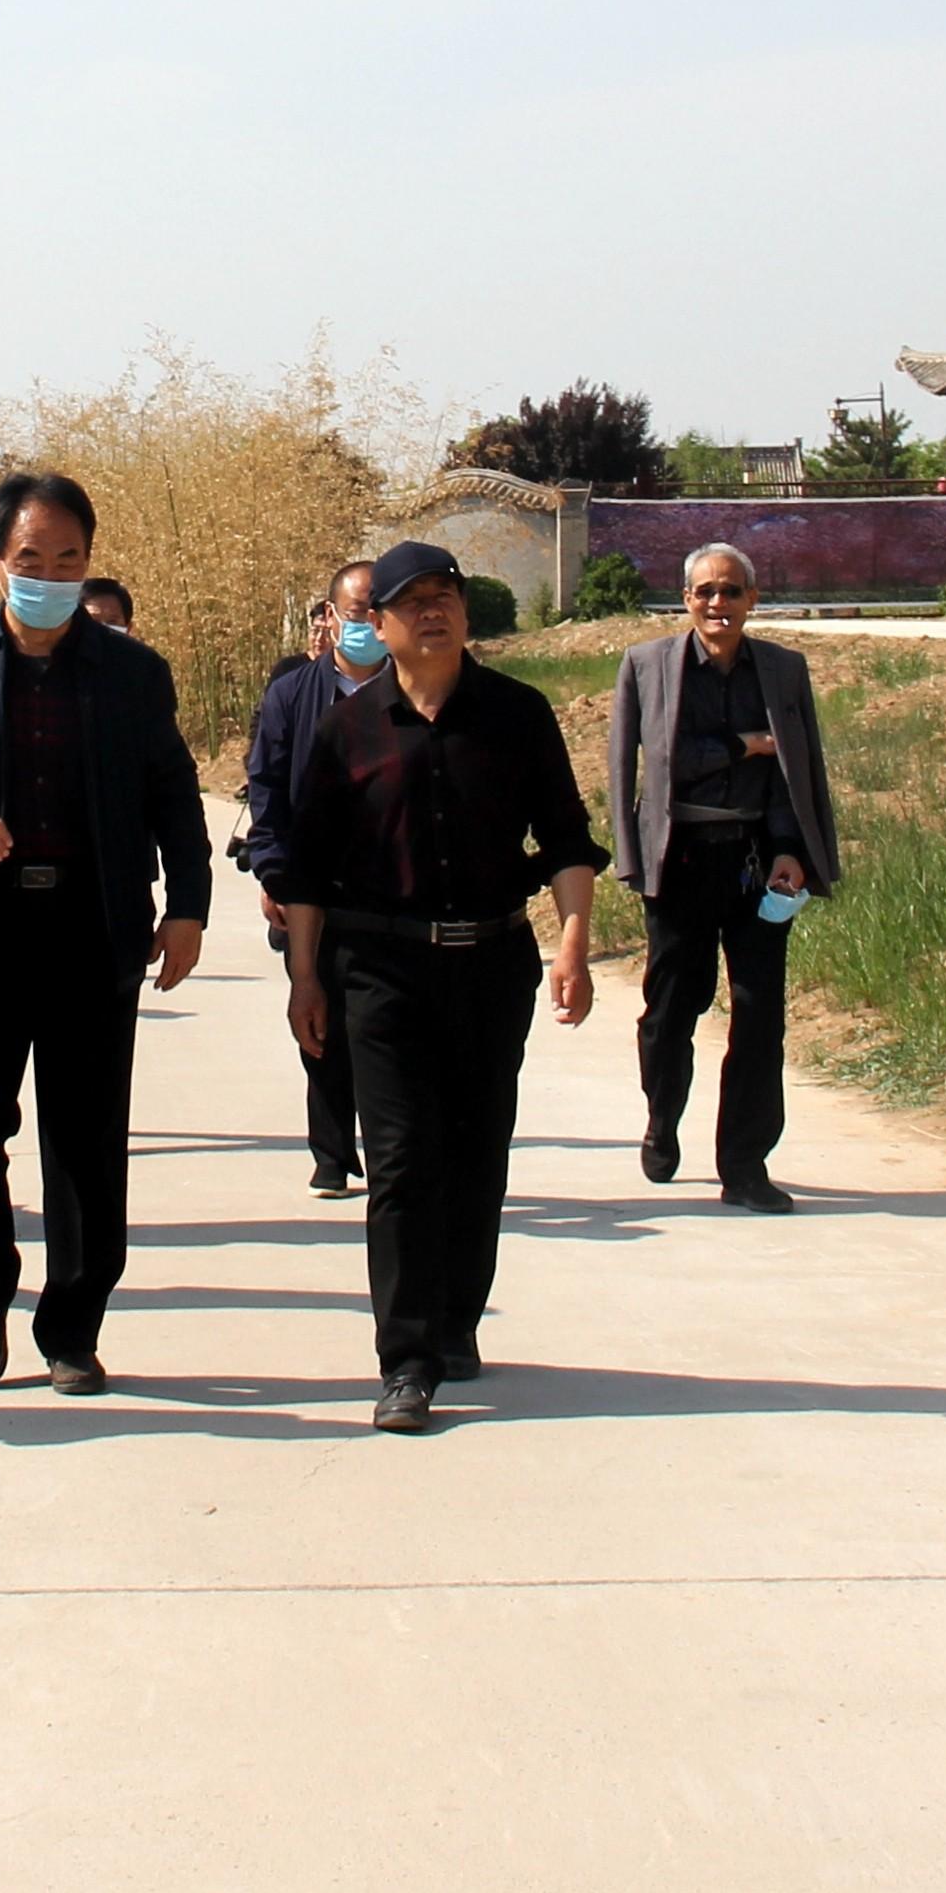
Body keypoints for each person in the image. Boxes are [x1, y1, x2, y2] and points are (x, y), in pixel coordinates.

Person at [0, 470, 211, 1395]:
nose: (51, 573)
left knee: (84, 1139)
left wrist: (186, 904)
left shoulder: (131, 671)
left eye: (69, 557)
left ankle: (73, 1322)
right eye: (32, 557)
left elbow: (172, 792)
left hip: (90, 926)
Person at [277, 538, 604, 1433]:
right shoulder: (347, 729)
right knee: (401, 1160)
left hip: (492, 963)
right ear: (375, 622)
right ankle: (407, 1358)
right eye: (410, 598)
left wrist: (574, 941)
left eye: (446, 593)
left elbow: (568, 839)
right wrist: (306, 975)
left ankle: (458, 1319)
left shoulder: (518, 714)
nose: (433, 609)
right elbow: (306, 867)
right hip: (379, 968)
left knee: (475, 1149)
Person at [608, 541, 840, 1211]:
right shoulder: (647, 665)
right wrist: (742, 744)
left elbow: (796, 768)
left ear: (752, 600)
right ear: (686, 599)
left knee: (761, 1011)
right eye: (705, 591)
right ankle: (662, 1116)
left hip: (755, 858)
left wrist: (792, 849)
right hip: (679, 856)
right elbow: (649, 763)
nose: (718, 603)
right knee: (674, 1006)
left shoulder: (783, 669)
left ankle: (745, 1164)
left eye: (731, 591)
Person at [240, 557, 386, 1199]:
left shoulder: (417, 687)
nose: (370, 625)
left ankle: (388, 1151)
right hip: (312, 885)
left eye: (381, 612)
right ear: (331, 618)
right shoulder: (292, 694)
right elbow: (265, 789)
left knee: (383, 1025)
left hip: (392, 886)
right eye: (357, 613)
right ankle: (331, 1152)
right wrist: (273, 874)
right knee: (319, 1010)